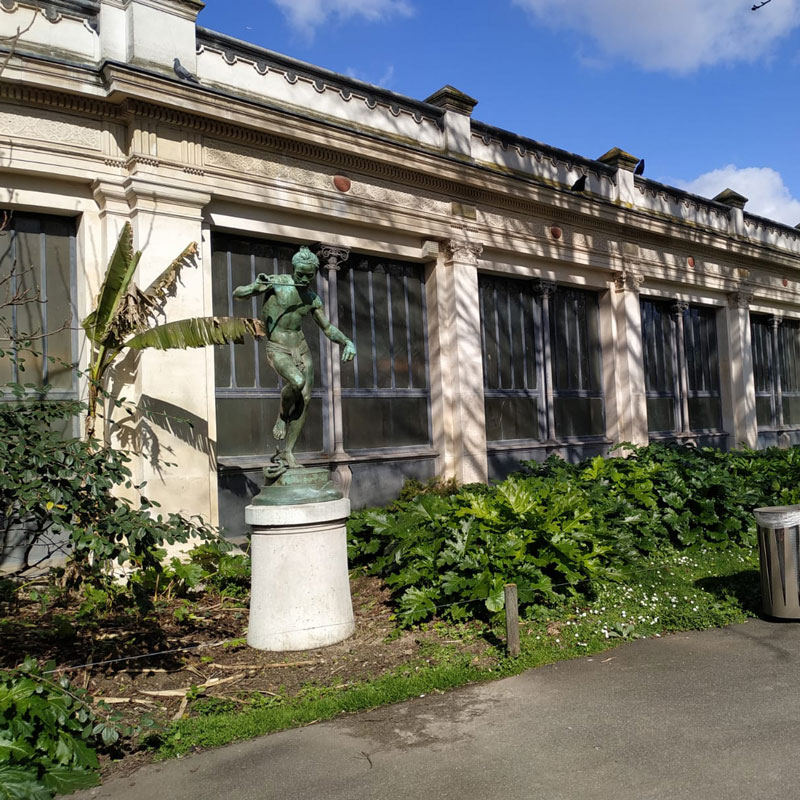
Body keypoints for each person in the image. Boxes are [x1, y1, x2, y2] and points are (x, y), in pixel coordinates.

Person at [233, 246, 355, 469]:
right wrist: (255, 286)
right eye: (301, 274)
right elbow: (238, 294)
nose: (305, 279)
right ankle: (282, 415)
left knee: (306, 399)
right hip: (277, 347)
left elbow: (327, 328)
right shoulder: (277, 283)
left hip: (301, 348)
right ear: (293, 270)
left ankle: (288, 451)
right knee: (297, 382)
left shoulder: (312, 298)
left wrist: (347, 341)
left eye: (310, 275)